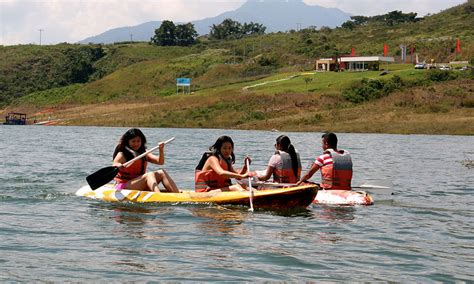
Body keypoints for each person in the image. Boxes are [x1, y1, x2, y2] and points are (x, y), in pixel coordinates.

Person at [112, 128, 179, 193]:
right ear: (128, 142)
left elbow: (160, 162)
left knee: (161, 172)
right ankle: (158, 196)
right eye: (133, 141)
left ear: (142, 141)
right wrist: (119, 165)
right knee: (149, 175)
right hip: (123, 185)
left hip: (139, 183)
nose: (136, 144)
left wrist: (161, 150)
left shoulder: (144, 153)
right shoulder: (122, 154)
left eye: (138, 141)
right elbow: (115, 164)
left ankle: (176, 193)